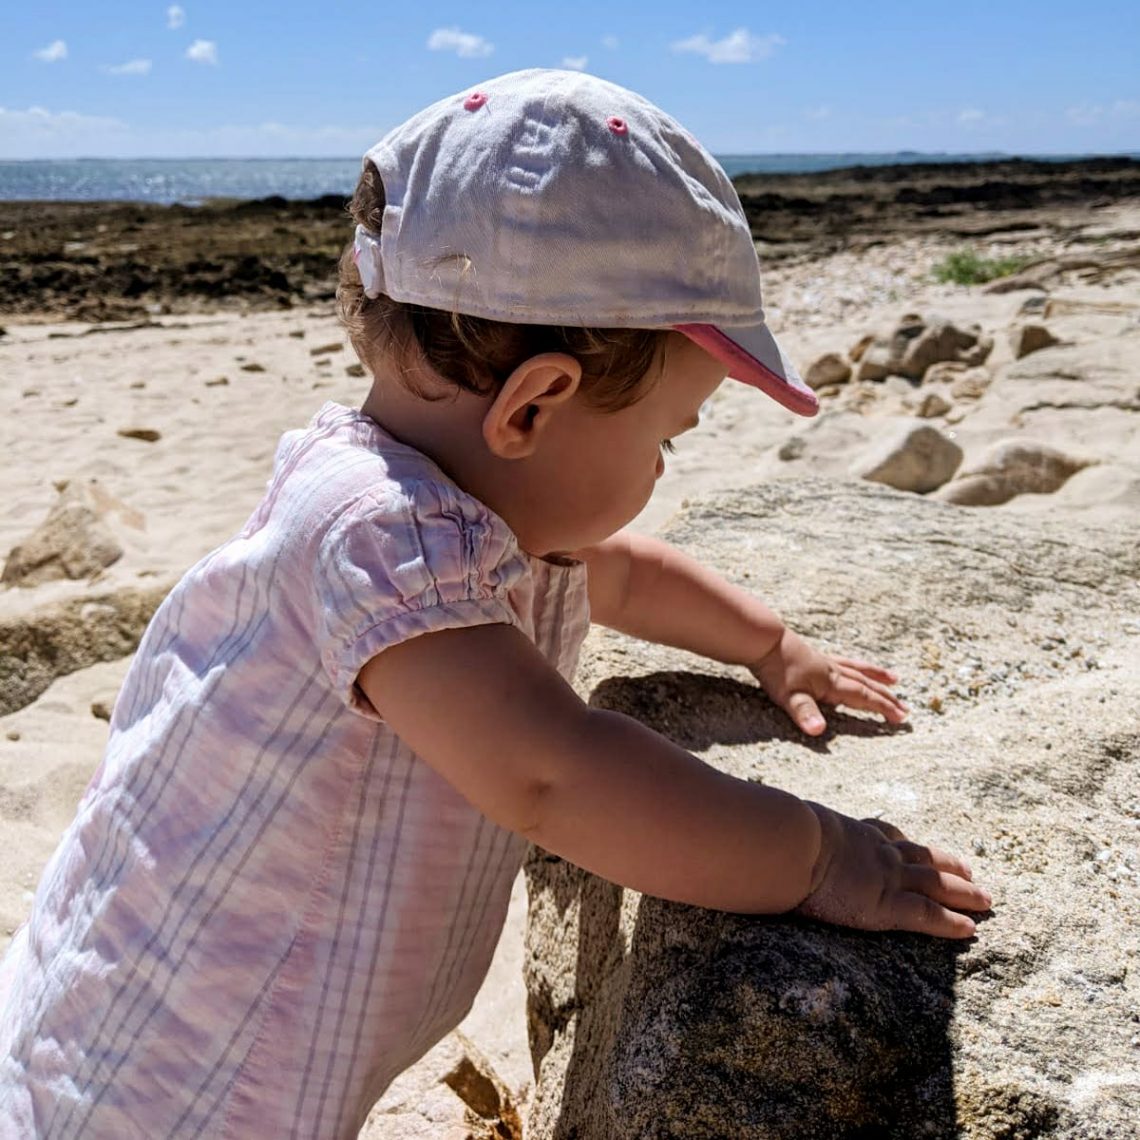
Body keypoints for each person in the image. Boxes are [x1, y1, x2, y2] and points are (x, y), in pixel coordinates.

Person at [0, 69, 990, 1138]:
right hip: (183, 1068)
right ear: (536, 405)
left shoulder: (456, 508)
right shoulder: (378, 536)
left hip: (201, 1022)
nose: (661, 471)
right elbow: (554, 774)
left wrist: (770, 644)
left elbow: (618, 572)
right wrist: (820, 855)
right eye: (665, 439)